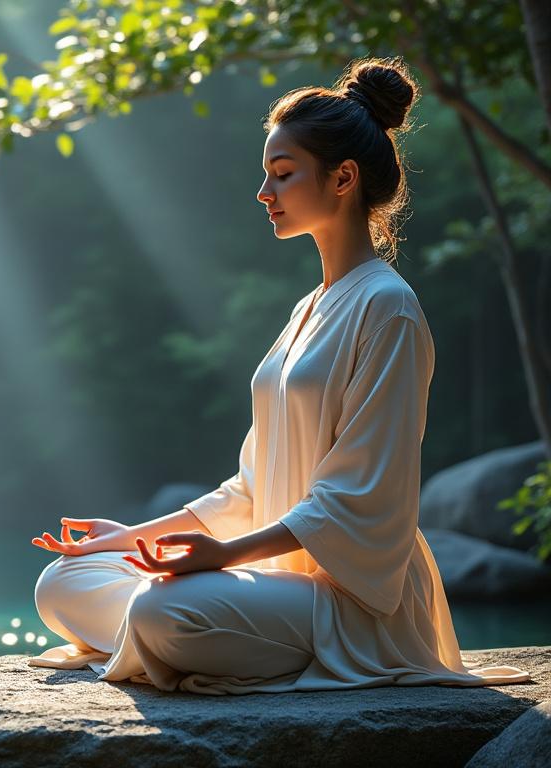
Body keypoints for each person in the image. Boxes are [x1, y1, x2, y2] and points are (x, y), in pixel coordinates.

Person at [26, 57, 531, 695]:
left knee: (161, 610)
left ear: (343, 177)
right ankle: (194, 633)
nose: (265, 194)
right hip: (265, 582)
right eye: (267, 175)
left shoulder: (388, 308)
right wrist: (132, 536)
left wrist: (223, 559)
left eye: (283, 175)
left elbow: (360, 500)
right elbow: (251, 484)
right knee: (66, 581)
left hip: (347, 602)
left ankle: (190, 633)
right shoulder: (309, 308)